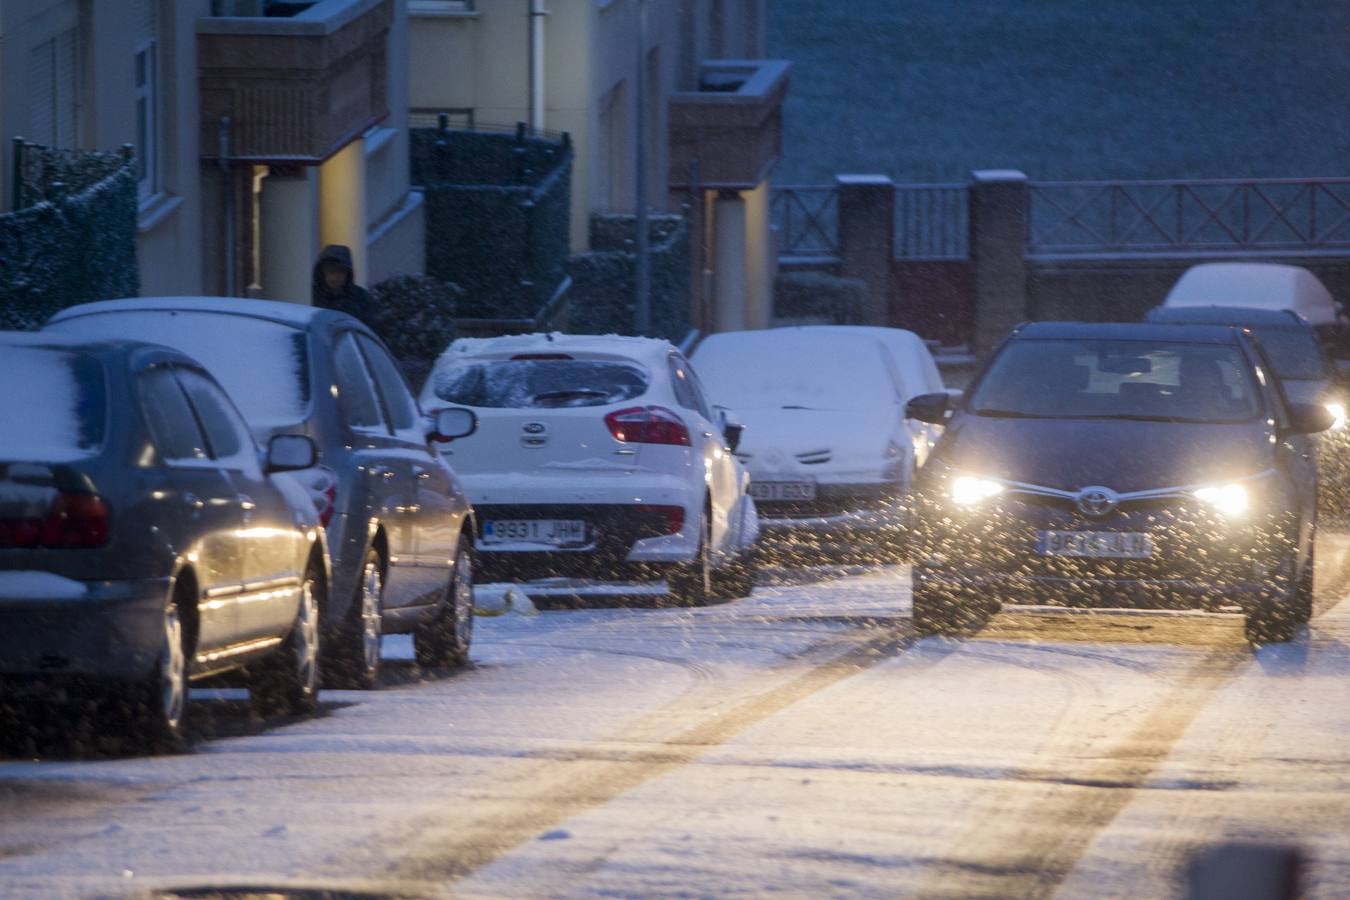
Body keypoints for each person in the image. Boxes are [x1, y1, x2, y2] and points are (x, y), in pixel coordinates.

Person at [311, 244, 375, 322]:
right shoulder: (310, 296)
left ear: (348, 274)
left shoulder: (361, 299)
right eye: (332, 272)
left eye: (341, 272)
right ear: (322, 273)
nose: (336, 277)